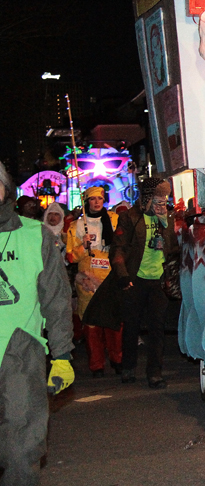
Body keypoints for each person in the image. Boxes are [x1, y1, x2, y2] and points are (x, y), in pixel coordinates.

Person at [0, 160, 74, 484]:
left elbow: (55, 298)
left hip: (20, 353)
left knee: (21, 449)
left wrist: (62, 355)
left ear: (6, 189)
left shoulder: (35, 235)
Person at [110, 178, 176, 389]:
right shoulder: (130, 218)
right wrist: (123, 275)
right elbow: (118, 248)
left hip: (158, 281)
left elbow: (173, 248)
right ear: (147, 199)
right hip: (135, 279)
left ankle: (155, 372)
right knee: (131, 326)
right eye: (157, 200)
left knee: (157, 328)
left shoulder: (167, 219)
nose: (161, 204)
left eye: (164, 200)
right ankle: (128, 366)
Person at [67, 186, 122, 378]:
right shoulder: (76, 226)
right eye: (92, 199)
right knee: (91, 325)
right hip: (87, 282)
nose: (96, 202)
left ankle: (117, 359)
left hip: (111, 278)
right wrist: (83, 246)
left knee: (113, 322)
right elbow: (70, 257)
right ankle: (96, 364)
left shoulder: (115, 220)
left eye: (99, 198)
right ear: (86, 202)